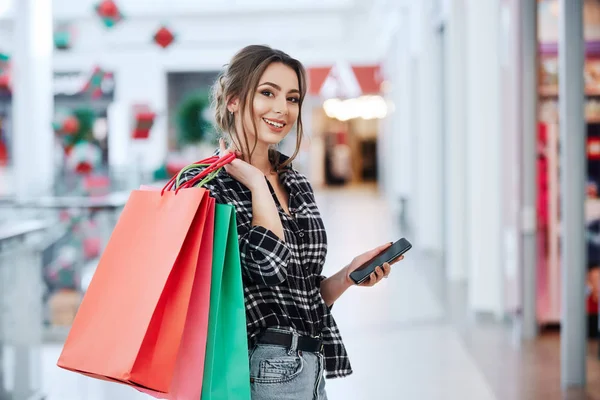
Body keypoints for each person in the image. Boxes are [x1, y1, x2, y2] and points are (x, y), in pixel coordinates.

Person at [177, 45, 403, 400]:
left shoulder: (294, 181)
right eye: (268, 93)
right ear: (233, 99)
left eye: (293, 98)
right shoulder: (205, 186)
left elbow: (300, 295)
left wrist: (347, 275)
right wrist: (256, 184)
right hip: (256, 369)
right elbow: (269, 265)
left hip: (310, 365)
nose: (283, 109)